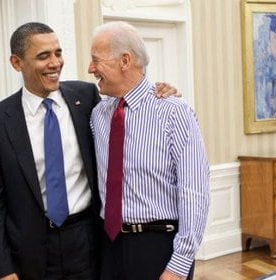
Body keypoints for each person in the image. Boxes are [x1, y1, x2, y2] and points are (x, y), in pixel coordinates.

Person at [0, 22, 178, 280]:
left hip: (89, 241)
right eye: (43, 56)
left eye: (58, 53)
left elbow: (129, 97)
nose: (55, 63)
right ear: (17, 63)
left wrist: (158, 89)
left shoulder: (86, 97)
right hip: (32, 252)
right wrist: (4, 270)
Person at [89, 21, 210, 280]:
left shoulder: (174, 111)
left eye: (96, 60)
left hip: (158, 247)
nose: (90, 68)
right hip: (108, 247)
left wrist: (178, 265)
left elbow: (194, 191)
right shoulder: (98, 115)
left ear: (125, 60)